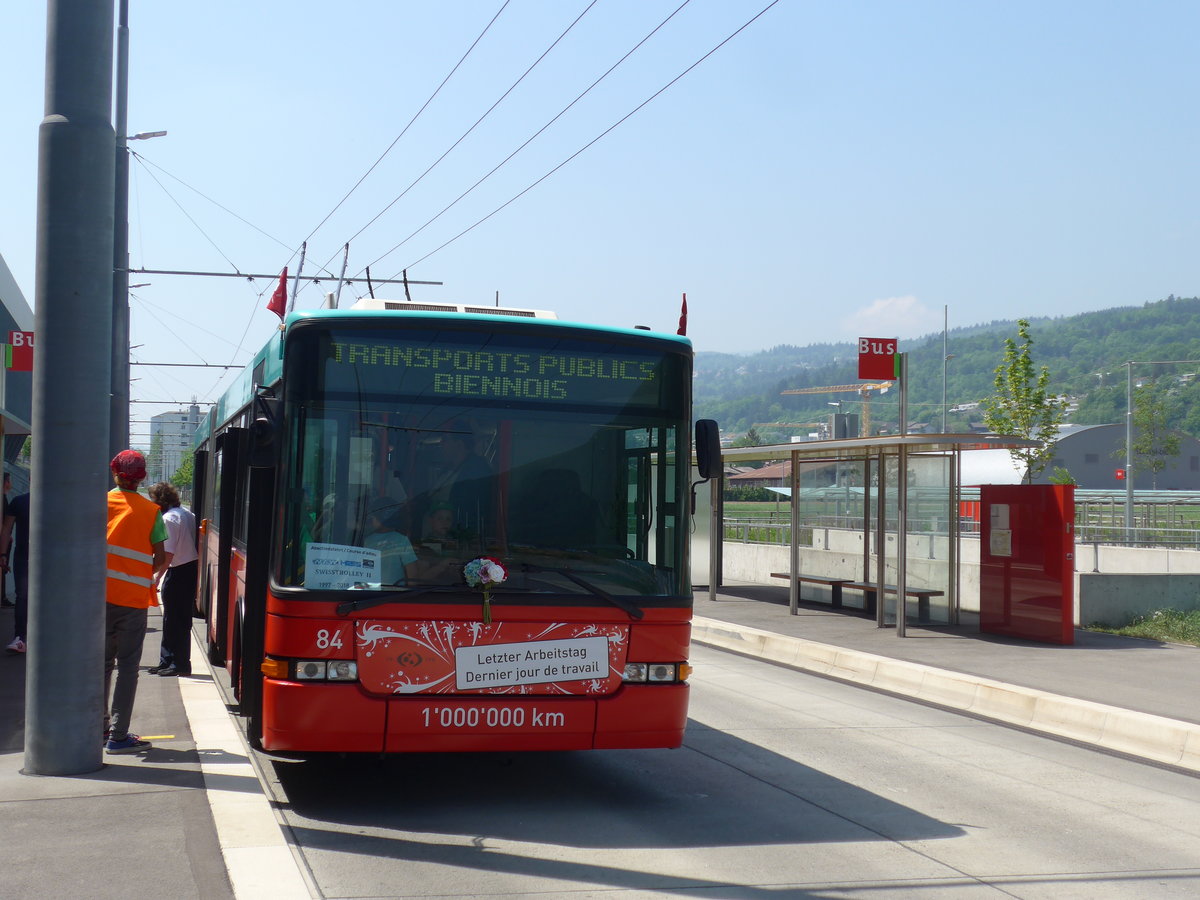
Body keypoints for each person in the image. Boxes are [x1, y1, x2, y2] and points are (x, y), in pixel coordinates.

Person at [104, 450, 168, 754]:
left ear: (115, 473)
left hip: (98, 598)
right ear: (142, 477)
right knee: (128, 667)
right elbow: (161, 556)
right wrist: (141, 572)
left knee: (100, 665)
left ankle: (97, 728)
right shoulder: (151, 510)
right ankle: (118, 736)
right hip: (133, 601)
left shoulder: (100, 503)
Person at [147, 482, 198, 677]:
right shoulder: (185, 513)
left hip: (178, 572)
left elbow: (167, 554)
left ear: (160, 501)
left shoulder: (168, 519)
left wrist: (158, 577)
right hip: (188, 569)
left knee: (173, 620)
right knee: (178, 619)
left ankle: (177, 663)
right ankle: (169, 661)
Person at [1, 481, 29, 653]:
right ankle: (22, 638)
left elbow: (6, 529)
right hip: (49, 560)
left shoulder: (18, 501)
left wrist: (3, 555)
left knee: (22, 597)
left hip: (22, 556)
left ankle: (20, 638)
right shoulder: (59, 503)